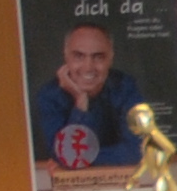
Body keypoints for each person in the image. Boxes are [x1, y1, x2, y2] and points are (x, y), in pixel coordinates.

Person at [31, 19, 147, 170]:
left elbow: (137, 150)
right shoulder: (49, 96)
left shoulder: (125, 88)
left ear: (111, 58)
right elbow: (63, 154)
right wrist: (80, 103)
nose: (88, 67)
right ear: (66, 56)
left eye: (98, 57)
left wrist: (78, 157)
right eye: (79, 56)